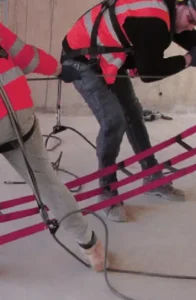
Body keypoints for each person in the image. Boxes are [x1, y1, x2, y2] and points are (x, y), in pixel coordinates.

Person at [60, 0, 196, 222]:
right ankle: (107, 192)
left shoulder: (171, 14)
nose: (191, 26)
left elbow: (195, 41)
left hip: (107, 57)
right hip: (80, 59)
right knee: (114, 120)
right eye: (191, 20)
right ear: (180, 3)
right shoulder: (153, 19)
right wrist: (187, 60)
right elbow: (149, 72)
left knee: (133, 113)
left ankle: (152, 177)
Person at [0, 22, 106, 272]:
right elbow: (26, 56)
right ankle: (91, 247)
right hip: (18, 115)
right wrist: (60, 69)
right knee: (47, 182)